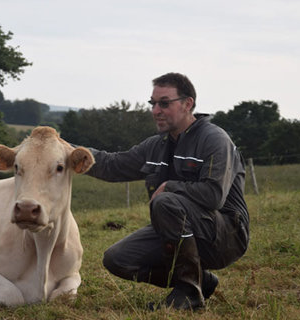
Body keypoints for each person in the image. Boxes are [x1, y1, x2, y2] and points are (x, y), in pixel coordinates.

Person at [84, 72, 249, 310]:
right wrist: (63, 149)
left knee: (166, 202)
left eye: (164, 103)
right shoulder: (157, 145)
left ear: (187, 103)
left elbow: (214, 195)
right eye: (153, 104)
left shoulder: (214, 139)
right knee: (118, 259)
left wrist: (170, 187)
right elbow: (113, 165)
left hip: (226, 235)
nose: (155, 110)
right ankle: (200, 281)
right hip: (180, 228)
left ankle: (189, 296)